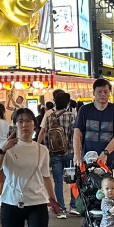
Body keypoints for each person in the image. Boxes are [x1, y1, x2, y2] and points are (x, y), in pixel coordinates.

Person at [74, 78, 114, 171]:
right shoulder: (84, 110)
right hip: (87, 160)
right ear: (94, 93)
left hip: (110, 160)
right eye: (99, 91)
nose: (102, 94)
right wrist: (77, 155)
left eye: (105, 91)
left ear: (109, 93)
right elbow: (77, 132)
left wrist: (105, 153)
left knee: (109, 185)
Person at [38, 89, 77, 218]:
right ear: (67, 104)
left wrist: (44, 148)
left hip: (54, 154)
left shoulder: (49, 116)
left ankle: (61, 209)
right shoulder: (72, 116)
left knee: (58, 181)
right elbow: (74, 136)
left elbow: (45, 135)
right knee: (72, 180)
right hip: (70, 153)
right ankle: (74, 205)